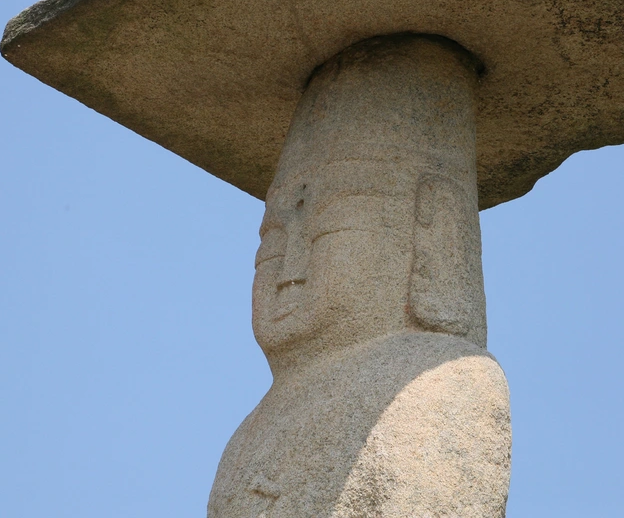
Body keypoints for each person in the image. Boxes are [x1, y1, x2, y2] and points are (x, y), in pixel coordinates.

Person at [209, 35, 511, 518]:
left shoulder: (442, 382)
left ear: (431, 229)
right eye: (273, 237)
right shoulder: (251, 430)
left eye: (329, 222)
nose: (290, 267)